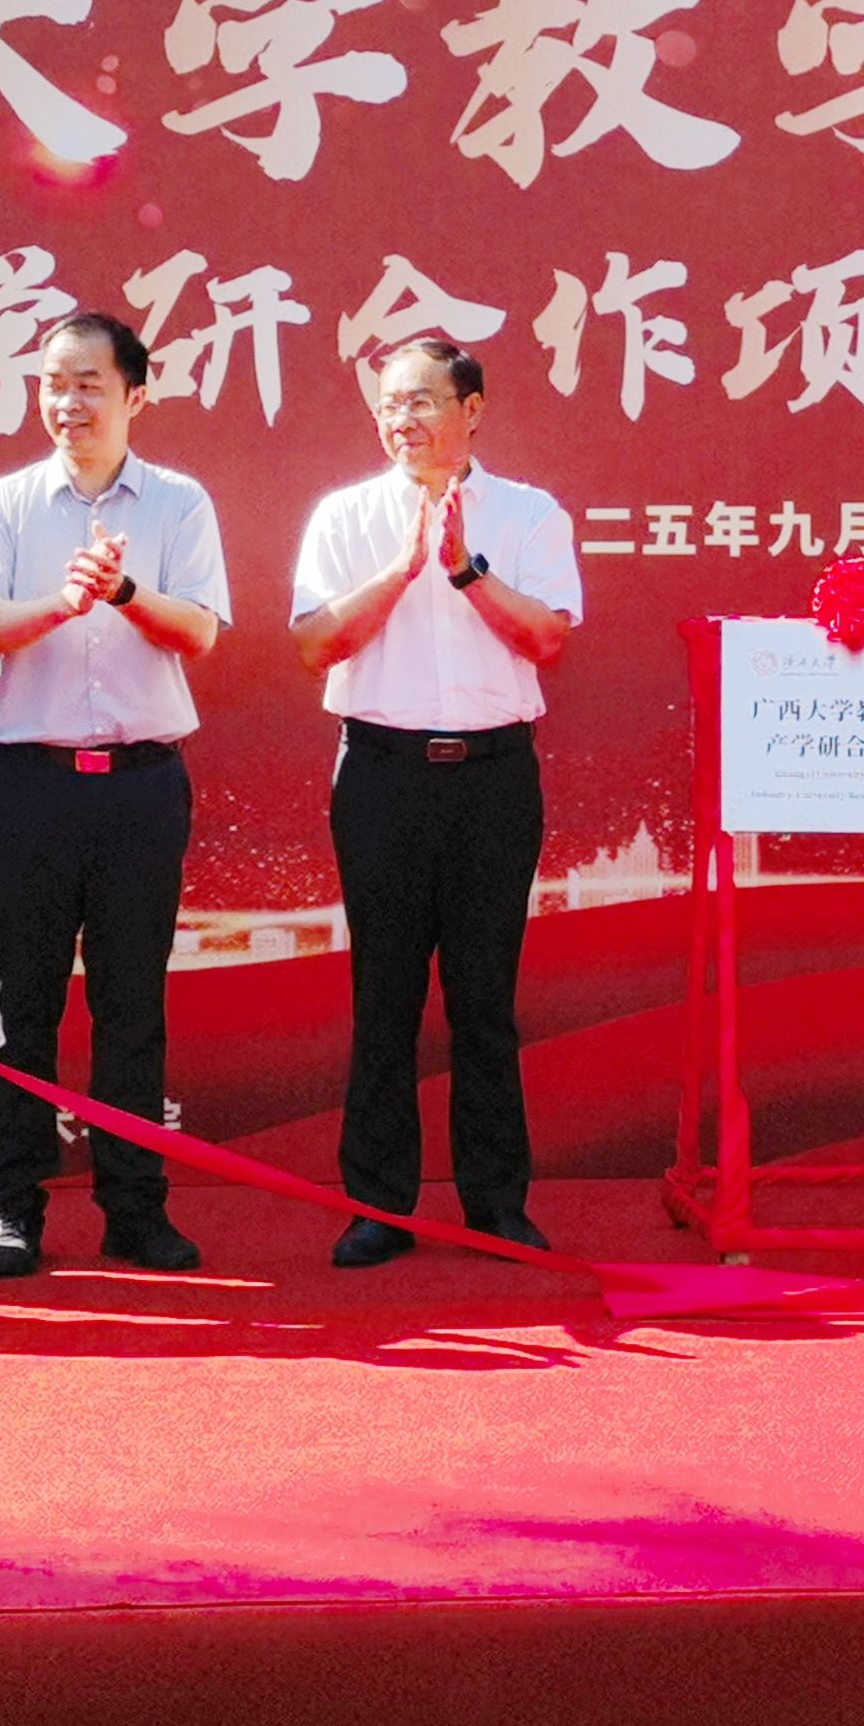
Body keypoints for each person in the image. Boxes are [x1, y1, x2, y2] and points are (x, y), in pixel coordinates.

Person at [0, 313, 230, 1278]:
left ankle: (134, 1208)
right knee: (19, 1005)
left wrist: (122, 594)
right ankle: (11, 1209)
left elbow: (199, 631)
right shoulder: (5, 503)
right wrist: (61, 604)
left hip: (141, 785)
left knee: (131, 1004)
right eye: (53, 384)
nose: (67, 403)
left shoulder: (180, 502)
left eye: (89, 385)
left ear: (135, 395)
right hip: (31, 785)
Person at [290, 336, 581, 1267]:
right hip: (382, 773)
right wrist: (404, 567)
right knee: (384, 995)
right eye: (389, 404)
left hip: (493, 776)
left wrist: (462, 569)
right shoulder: (344, 515)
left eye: (421, 400)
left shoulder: (530, 514)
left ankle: (495, 1204)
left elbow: (547, 638)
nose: (401, 419)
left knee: (484, 997)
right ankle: (379, 1207)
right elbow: (315, 644)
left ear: (473, 409)